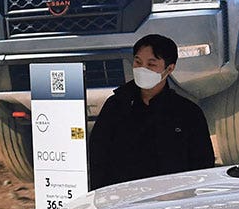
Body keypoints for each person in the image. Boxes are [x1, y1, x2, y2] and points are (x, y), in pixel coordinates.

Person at [88, 34, 215, 189]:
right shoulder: (116, 106)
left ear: (169, 68)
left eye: (151, 64)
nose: (142, 69)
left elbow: (203, 165)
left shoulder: (188, 113)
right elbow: (97, 156)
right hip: (123, 198)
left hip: (170, 198)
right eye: (138, 62)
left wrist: (183, 194)